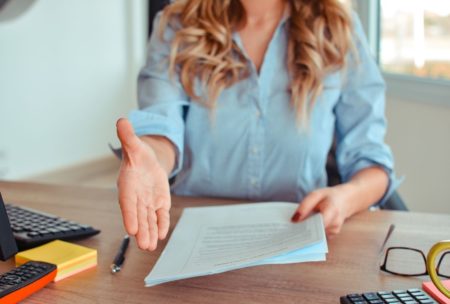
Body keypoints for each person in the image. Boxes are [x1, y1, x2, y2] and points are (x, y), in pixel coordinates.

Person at [116, 0, 400, 251]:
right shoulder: (176, 25)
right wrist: (151, 157)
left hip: (300, 243)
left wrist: (346, 198)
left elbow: (371, 161)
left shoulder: (339, 28)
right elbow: (162, 125)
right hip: (194, 243)